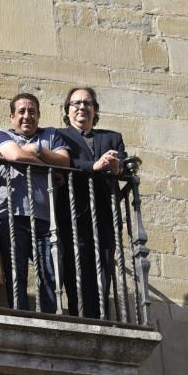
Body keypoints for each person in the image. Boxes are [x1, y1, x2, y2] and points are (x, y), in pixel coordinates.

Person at [0, 93, 69, 312]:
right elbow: (15, 156)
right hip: (11, 215)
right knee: (17, 275)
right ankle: (22, 318)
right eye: (22, 112)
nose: (27, 116)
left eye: (32, 111)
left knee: (52, 273)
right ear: (12, 116)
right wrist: (50, 169)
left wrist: (36, 150)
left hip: (46, 218)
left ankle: (50, 319)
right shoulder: (2, 135)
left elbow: (64, 161)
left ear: (39, 115)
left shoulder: (51, 135)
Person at [55, 87, 127, 319]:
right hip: (73, 213)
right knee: (76, 269)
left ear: (95, 110)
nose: (81, 108)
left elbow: (123, 164)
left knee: (104, 268)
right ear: (67, 110)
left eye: (87, 103)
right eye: (76, 103)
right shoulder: (58, 136)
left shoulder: (112, 138)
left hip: (105, 212)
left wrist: (117, 168)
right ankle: (81, 316)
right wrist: (93, 167)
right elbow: (63, 162)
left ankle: (100, 318)